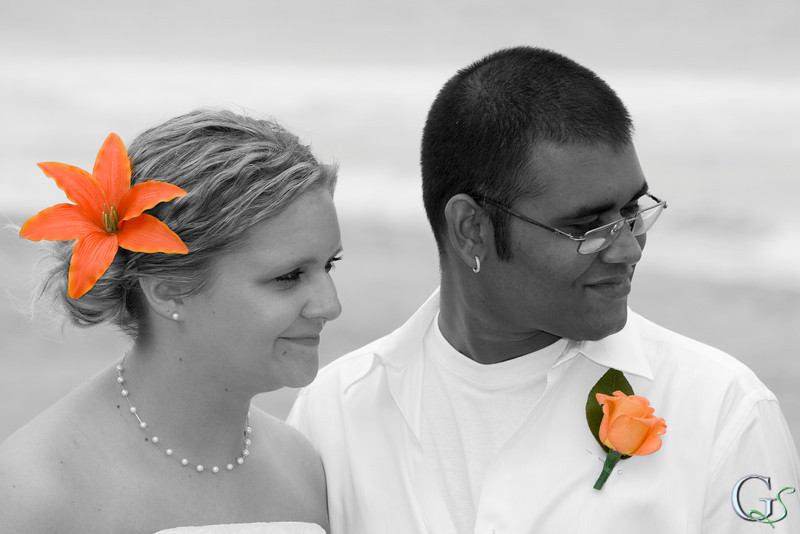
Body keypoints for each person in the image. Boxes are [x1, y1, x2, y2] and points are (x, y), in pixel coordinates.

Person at [287, 47, 800, 533]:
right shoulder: (335, 414)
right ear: (471, 229)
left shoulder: (723, 410)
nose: (628, 250)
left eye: (631, 212)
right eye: (586, 227)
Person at [0, 109, 342, 533]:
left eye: (330, 265)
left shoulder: (303, 465)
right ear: (168, 291)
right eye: (288, 276)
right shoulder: (37, 492)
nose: (329, 305)